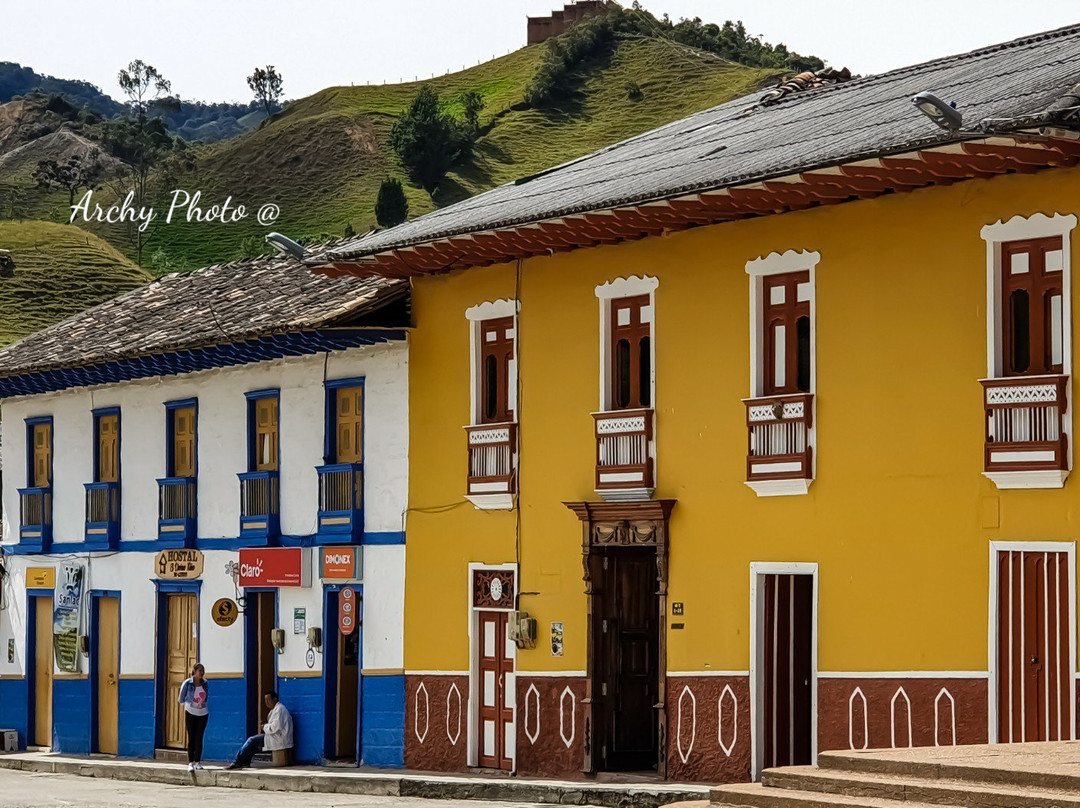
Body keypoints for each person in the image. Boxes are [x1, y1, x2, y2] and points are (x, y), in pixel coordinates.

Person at [226, 690, 293, 770]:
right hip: (276, 737)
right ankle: (244, 762)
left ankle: (238, 762)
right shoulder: (276, 709)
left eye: (268, 700)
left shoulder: (279, 709)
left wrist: (264, 727)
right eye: (265, 700)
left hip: (278, 739)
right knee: (254, 744)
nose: (267, 702)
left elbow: (274, 727)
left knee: (251, 741)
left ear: (275, 699)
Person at [177, 663, 209, 772]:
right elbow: (181, 699)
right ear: (194, 672)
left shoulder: (205, 683)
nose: (201, 673)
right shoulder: (187, 683)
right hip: (190, 713)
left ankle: (198, 762)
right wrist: (190, 705)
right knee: (192, 737)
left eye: (203, 670)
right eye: (200, 670)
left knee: (199, 737)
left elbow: (206, 697)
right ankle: (190, 762)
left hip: (203, 714)